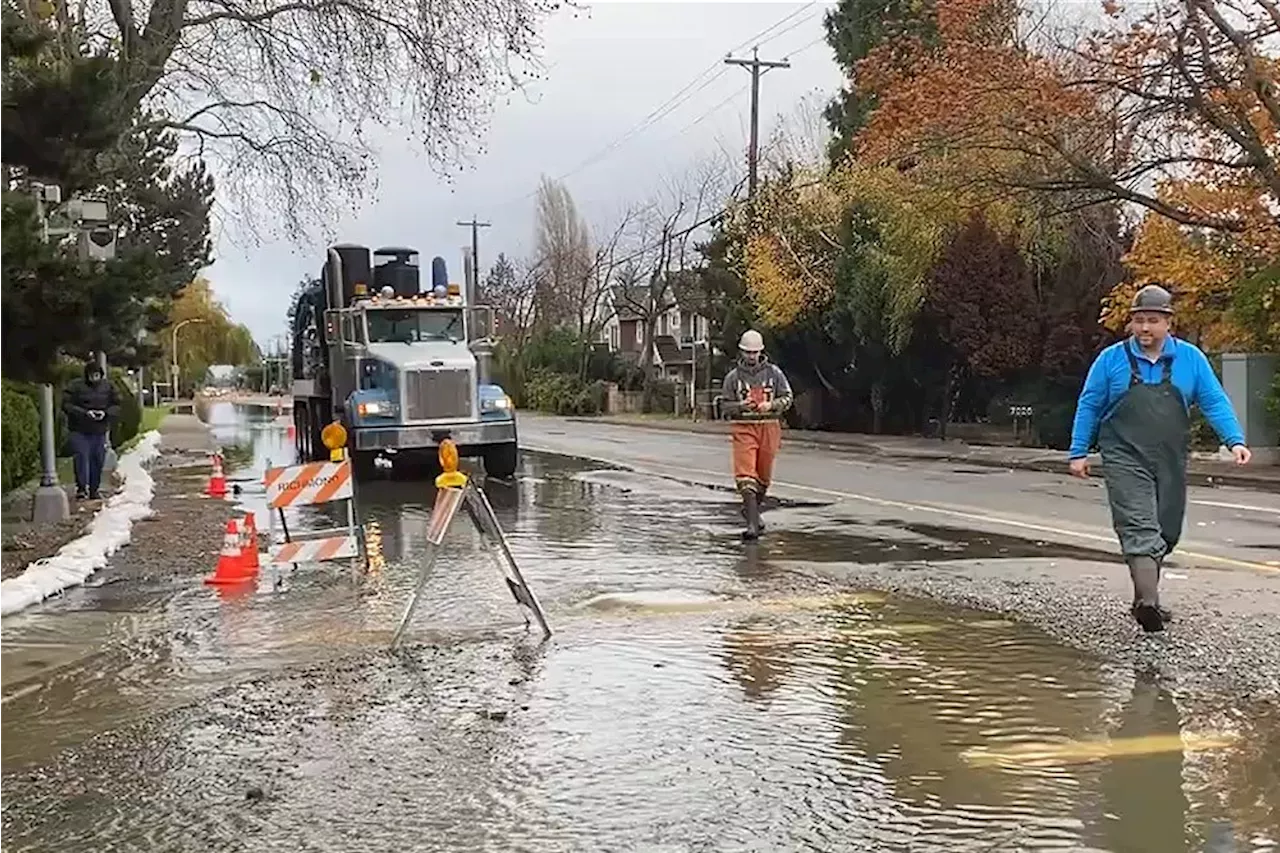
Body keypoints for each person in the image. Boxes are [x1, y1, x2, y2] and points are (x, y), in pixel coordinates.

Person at [1068, 284, 1251, 633]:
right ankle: (1150, 605)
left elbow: (1213, 400)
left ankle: (1143, 599)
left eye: (1153, 321)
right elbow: (1089, 404)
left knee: (1166, 530)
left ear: (1169, 323)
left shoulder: (1191, 359)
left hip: (1169, 455)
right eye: (1138, 321)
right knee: (1139, 525)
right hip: (1123, 454)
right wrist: (1079, 451)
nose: (1145, 329)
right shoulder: (1111, 360)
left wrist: (1234, 440)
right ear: (1131, 324)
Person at [720, 329, 793, 540]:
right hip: (743, 428)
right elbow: (725, 406)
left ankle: (751, 511)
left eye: (754, 352)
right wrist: (740, 406)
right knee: (746, 474)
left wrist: (771, 405)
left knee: (763, 476)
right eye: (747, 352)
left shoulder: (775, 373)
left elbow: (788, 397)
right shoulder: (732, 378)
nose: (751, 356)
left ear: (761, 351)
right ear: (741, 352)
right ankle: (752, 525)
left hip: (769, 426)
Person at [62, 360, 121, 501]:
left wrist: (106, 413)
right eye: (91, 375)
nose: (94, 378)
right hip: (79, 429)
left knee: (97, 460)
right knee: (81, 457)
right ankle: (82, 488)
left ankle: (94, 489)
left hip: (99, 430)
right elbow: (66, 404)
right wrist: (84, 413)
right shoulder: (76, 386)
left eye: (96, 375)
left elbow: (117, 404)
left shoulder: (109, 387)